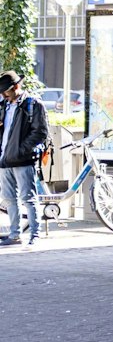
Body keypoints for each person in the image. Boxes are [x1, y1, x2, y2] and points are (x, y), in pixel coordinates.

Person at [0, 73, 49, 247]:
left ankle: (35, 234)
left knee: (28, 198)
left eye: (6, 91)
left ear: (15, 87)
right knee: (9, 199)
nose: (4, 95)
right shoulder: (3, 106)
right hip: (4, 160)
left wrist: (21, 151)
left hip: (22, 160)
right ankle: (15, 235)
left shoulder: (33, 104)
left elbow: (41, 132)